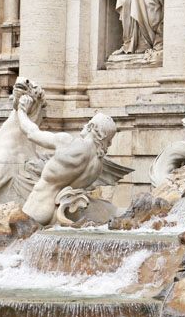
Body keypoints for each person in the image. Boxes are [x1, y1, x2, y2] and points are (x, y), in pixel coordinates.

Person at [17, 95, 117, 225]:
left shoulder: (68, 142)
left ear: (91, 126)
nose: (84, 125)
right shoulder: (97, 166)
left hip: (37, 208)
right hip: (58, 215)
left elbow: (32, 133)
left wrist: (21, 111)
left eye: (88, 123)